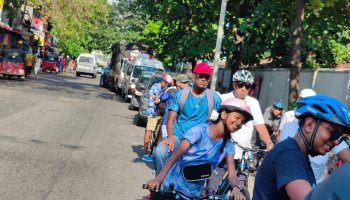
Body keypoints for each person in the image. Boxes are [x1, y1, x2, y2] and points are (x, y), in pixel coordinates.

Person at [146, 98, 254, 200]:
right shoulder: (199, 132)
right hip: (171, 189)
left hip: (194, 195)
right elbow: (175, 155)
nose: (239, 123)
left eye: (243, 121)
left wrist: (235, 187)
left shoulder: (228, 146)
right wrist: (159, 179)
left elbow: (232, 173)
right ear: (224, 114)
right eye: (237, 117)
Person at [253, 95, 350, 200]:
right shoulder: (288, 156)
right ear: (309, 125)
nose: (336, 142)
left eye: (340, 137)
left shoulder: (300, 156)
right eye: (333, 133)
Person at [153, 62, 222, 175]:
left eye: (207, 77)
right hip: (179, 137)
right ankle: (159, 185)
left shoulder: (213, 98)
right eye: (201, 76)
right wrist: (170, 137)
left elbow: (222, 118)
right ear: (194, 76)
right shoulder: (181, 95)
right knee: (159, 153)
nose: (204, 79)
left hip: (200, 142)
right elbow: (170, 120)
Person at [142, 73, 174, 162]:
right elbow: (156, 100)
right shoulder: (157, 88)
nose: (167, 86)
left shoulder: (160, 88)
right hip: (152, 114)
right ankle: (145, 154)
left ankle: (150, 152)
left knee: (154, 133)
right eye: (167, 84)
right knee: (149, 132)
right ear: (164, 82)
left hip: (156, 113)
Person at [157, 74, 190, 140]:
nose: (187, 85)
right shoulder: (171, 90)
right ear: (177, 83)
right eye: (184, 82)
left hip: (181, 127)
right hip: (167, 123)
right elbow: (162, 98)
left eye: (187, 82)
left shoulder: (189, 93)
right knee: (165, 147)